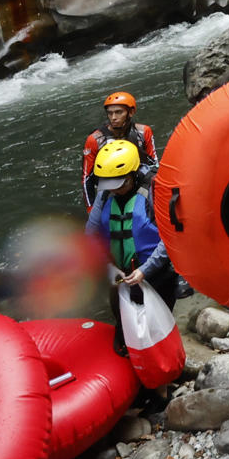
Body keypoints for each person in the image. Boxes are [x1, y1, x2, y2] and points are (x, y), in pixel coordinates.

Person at [84, 140, 178, 307]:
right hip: (120, 277)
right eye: (109, 184)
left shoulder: (154, 189)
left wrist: (145, 270)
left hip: (157, 275)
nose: (114, 190)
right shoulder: (105, 193)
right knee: (123, 328)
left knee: (158, 328)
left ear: (133, 174)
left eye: (119, 184)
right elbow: (91, 235)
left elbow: (171, 237)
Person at [82, 91, 158, 208]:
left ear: (131, 112)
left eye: (119, 112)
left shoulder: (143, 132)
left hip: (138, 184)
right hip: (109, 188)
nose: (113, 118)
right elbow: (87, 178)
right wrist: (91, 208)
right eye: (110, 113)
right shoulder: (95, 140)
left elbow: (154, 165)